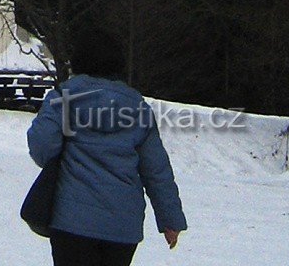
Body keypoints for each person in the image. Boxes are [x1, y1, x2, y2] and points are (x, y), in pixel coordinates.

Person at [27, 27, 187, 265]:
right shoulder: (137, 107)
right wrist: (170, 219)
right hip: (122, 228)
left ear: (79, 60)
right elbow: (156, 171)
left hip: (72, 222)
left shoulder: (65, 97)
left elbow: (42, 147)